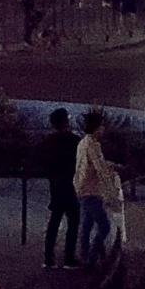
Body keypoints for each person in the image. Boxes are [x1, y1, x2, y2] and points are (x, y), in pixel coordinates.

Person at [73, 111, 114, 266]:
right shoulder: (94, 145)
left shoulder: (82, 142)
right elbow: (99, 168)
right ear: (97, 127)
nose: (103, 129)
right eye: (102, 126)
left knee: (87, 224)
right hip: (91, 190)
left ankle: (85, 255)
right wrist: (110, 191)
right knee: (104, 226)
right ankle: (92, 257)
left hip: (81, 188)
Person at [43, 108, 78, 268]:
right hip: (71, 184)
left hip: (56, 184)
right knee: (73, 221)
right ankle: (69, 257)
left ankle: (48, 258)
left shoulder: (49, 141)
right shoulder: (74, 140)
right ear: (65, 121)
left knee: (54, 220)